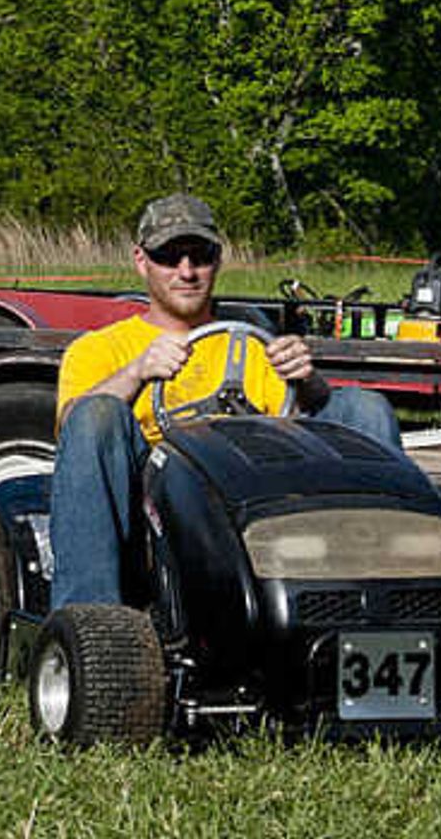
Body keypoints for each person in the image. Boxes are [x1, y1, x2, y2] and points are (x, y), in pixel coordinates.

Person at [47, 191, 404, 610]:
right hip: (157, 500)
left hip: (254, 488)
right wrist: (136, 373)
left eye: (199, 256)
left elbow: (307, 421)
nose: (187, 271)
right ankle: (90, 617)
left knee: (365, 407)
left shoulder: (254, 344)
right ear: (142, 261)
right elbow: (75, 423)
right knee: (97, 412)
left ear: (217, 260)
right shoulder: (101, 350)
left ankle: (384, 596)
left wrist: (308, 382)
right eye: (169, 256)